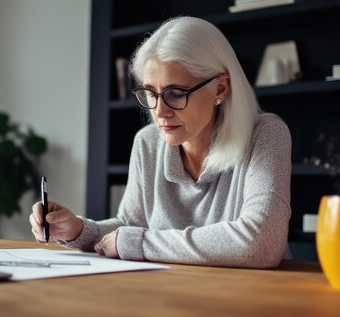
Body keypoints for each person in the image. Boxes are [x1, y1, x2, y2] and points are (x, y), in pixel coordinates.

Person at [29, 16, 292, 268]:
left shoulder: (267, 135)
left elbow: (261, 243)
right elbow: (129, 225)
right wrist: (78, 230)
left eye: (175, 94)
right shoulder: (148, 143)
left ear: (220, 89)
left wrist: (140, 242)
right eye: (150, 94)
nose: (159, 111)